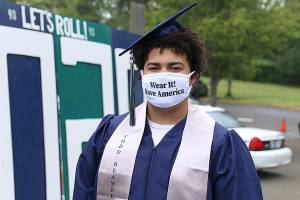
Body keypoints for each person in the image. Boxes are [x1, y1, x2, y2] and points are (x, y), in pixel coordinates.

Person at [73, 3, 263, 200]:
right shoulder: (109, 133)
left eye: (175, 67)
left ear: (193, 77)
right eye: (154, 67)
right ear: (141, 75)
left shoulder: (220, 145)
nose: (163, 75)